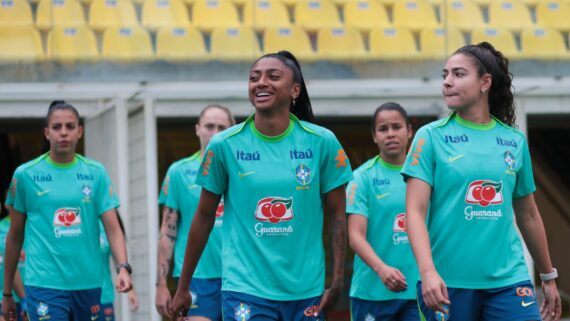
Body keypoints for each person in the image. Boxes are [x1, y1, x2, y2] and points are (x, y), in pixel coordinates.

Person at [169, 50, 353, 321]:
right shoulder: (225, 146)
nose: (260, 82)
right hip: (245, 289)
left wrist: (337, 281)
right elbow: (204, 217)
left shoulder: (322, 142)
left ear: (295, 90)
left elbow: (337, 215)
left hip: (305, 291)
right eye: (254, 77)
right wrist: (183, 287)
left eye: (273, 76)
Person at [402, 42, 562, 321]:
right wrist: (427, 272)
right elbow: (414, 212)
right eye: (444, 75)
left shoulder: (513, 141)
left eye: (458, 74)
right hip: (447, 283)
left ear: (485, 82)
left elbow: (529, 215)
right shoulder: (430, 137)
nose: (447, 82)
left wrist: (548, 277)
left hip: (509, 281)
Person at [2, 100, 133, 321]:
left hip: (88, 283)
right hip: (44, 284)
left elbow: (114, 229)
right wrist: (7, 293)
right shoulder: (25, 175)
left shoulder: (96, 172)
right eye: (57, 127)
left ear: (80, 131)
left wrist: (123, 267)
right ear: (47, 133)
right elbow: (15, 236)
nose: (64, 133)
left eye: (70, 126)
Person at [155, 104, 235, 321]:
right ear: (197, 129)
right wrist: (161, 285)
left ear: (231, 131)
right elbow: (167, 232)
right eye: (209, 126)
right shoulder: (179, 172)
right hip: (195, 278)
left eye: (222, 127)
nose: (215, 133)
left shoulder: (243, 172)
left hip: (239, 276)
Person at [346, 102, 419, 321]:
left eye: (396, 127)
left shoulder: (426, 175)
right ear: (374, 136)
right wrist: (381, 269)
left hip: (420, 291)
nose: (391, 134)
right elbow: (355, 236)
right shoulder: (362, 178)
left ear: (409, 131)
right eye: (383, 129)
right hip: (372, 293)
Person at [100, 212, 139, 321]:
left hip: (104, 295)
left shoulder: (107, 223)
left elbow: (118, 259)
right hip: (79, 295)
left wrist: (131, 290)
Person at [0, 192, 26, 321]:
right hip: (5, 297)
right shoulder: (1, 227)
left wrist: (25, 298)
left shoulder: (33, 227)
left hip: (32, 295)